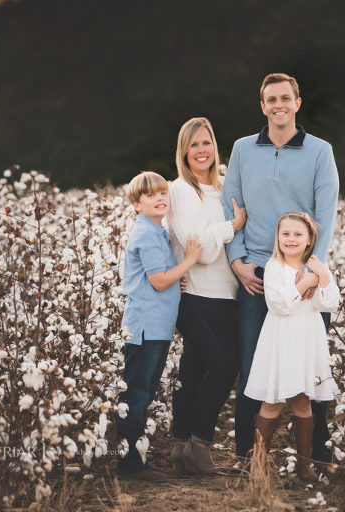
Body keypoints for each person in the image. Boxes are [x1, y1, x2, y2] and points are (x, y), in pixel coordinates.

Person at [222, 73, 339, 471]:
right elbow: (230, 207)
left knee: (313, 367)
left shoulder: (320, 151)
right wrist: (237, 261)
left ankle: (316, 456)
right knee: (253, 365)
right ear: (262, 106)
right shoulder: (241, 149)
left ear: (297, 103)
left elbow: (326, 213)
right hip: (257, 273)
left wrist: (311, 269)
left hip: (305, 270)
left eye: (285, 98)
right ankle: (246, 457)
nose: (278, 105)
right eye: (271, 99)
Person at [166, 117, 247, 474]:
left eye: (207, 143)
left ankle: (180, 446)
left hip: (226, 293)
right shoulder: (180, 190)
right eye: (194, 144)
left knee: (195, 368)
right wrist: (232, 226)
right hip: (195, 293)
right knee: (225, 363)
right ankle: (200, 444)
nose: (201, 151)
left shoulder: (224, 187)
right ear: (184, 151)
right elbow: (200, 250)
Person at [118, 171, 202, 482]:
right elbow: (157, 280)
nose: (160, 198)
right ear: (137, 205)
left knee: (142, 392)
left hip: (155, 327)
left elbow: (161, 277)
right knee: (137, 395)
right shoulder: (145, 233)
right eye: (151, 195)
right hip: (146, 328)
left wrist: (174, 277)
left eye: (162, 192)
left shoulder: (157, 230)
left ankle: (131, 458)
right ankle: (128, 464)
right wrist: (189, 261)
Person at [244, 212, 339, 481]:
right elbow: (280, 305)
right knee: (272, 400)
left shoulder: (317, 266)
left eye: (298, 234)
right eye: (285, 234)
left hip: (307, 339)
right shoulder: (274, 266)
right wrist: (305, 284)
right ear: (278, 238)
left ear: (309, 240)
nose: (291, 239)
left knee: (302, 399)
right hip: (281, 339)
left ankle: (305, 465)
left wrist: (322, 278)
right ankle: (259, 465)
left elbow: (329, 303)